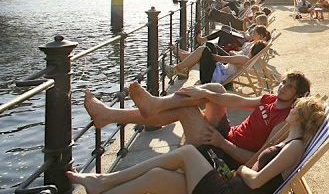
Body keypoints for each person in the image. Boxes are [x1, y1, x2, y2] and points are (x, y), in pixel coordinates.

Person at [14, 97, 326, 194]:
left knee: (189, 153)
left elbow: (256, 180)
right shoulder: (290, 144)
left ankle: (104, 180)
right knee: (155, 178)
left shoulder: (295, 147)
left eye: (293, 110)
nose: (288, 112)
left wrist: (241, 171)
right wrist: (237, 172)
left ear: (297, 116)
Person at [84, 72, 311, 170]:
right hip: (227, 134)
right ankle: (130, 110)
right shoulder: (269, 99)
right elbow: (236, 100)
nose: (283, 87)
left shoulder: (284, 120)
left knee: (186, 111)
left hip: (227, 152)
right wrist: (204, 94)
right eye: (283, 82)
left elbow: (256, 159)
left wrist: (222, 144)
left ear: (298, 95)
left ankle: (112, 114)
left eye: (289, 87)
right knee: (214, 88)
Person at [171, 26, 270, 84]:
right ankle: (184, 65)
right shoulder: (246, 59)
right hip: (217, 72)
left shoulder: (244, 59)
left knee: (203, 49)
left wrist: (205, 55)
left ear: (253, 49)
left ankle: (177, 68)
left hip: (213, 77)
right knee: (209, 45)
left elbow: (220, 58)